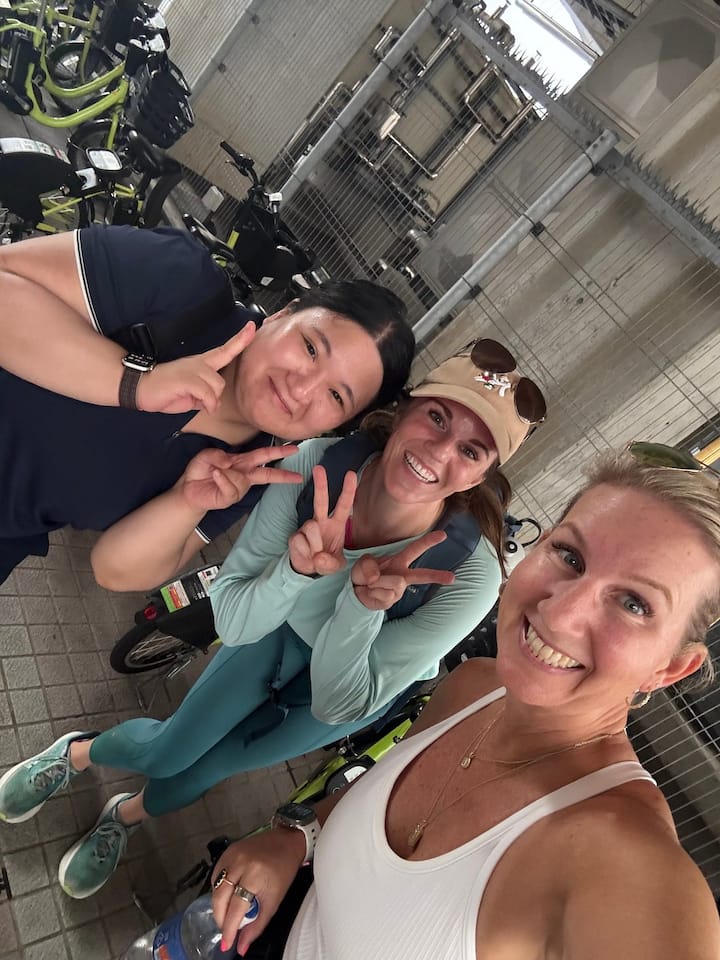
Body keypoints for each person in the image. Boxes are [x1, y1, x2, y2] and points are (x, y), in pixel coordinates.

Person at [0, 342, 547, 900]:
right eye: (437, 416)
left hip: (350, 677)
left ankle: (127, 813)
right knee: (169, 751)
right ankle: (75, 753)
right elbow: (234, 621)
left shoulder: (468, 575)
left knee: (203, 773)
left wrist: (361, 609)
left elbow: (338, 704)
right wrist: (294, 571)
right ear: (404, 408)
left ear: (480, 476)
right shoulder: (316, 466)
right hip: (278, 628)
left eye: (472, 450)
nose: (441, 450)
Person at [202, 442, 720, 960]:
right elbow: (370, 803)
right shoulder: (473, 685)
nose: (561, 614)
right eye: (570, 556)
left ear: (671, 668)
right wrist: (297, 836)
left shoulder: (624, 861)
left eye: (635, 604)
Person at [0, 224, 414, 586]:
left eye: (336, 396)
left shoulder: (246, 469)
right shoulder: (181, 280)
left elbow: (114, 571)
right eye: (310, 348)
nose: (302, 389)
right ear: (282, 314)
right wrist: (136, 383)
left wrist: (185, 502)